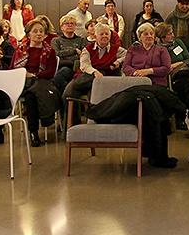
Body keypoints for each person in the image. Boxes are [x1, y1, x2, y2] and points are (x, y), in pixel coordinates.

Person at [11, 19, 59, 147]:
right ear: (28, 34)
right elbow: (12, 69)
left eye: (41, 31)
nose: (39, 34)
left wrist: (34, 75)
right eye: (35, 31)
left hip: (41, 81)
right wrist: (23, 74)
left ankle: (34, 133)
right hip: (21, 81)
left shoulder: (50, 51)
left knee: (31, 96)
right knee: (29, 93)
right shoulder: (20, 50)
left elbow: (50, 72)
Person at [63, 22, 125, 106]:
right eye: (101, 34)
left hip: (104, 80)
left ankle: (92, 113)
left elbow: (128, 55)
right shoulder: (87, 49)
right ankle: (71, 115)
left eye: (107, 34)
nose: (104, 36)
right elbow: (84, 65)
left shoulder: (116, 49)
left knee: (94, 96)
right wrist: (94, 72)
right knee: (67, 95)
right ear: (95, 36)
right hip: (86, 77)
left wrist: (118, 61)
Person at [52, 14, 86, 92]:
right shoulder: (56, 40)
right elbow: (56, 54)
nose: (69, 25)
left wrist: (65, 56)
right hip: (61, 67)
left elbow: (83, 55)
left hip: (77, 68)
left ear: (75, 26)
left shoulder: (81, 40)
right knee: (61, 75)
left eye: (72, 23)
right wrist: (74, 51)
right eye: (66, 23)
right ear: (61, 27)